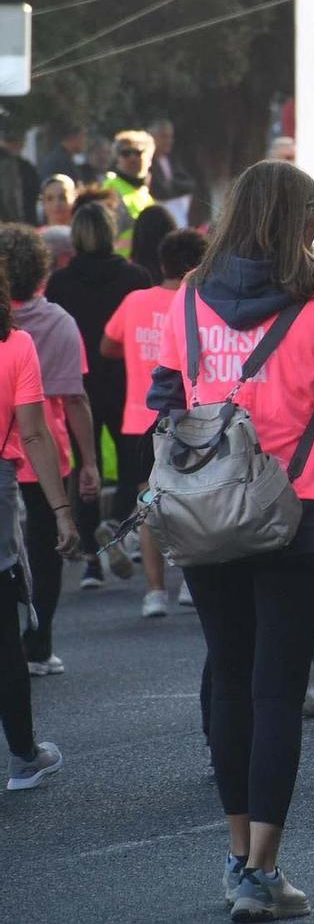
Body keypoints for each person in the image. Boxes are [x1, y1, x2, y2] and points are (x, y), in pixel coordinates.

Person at [146, 160, 314, 920]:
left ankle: (236, 853)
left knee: (230, 678)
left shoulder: (189, 297)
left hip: (206, 509)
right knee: (275, 690)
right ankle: (262, 865)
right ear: (300, 222)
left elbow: (164, 402)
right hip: (302, 510)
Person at [0, 224, 99, 666]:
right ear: (42, 270)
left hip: (6, 452)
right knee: (47, 550)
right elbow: (74, 397)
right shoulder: (60, 322)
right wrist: (90, 462)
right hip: (46, 453)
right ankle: (39, 644)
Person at [1, 263, 81, 791]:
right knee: (4, 631)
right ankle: (24, 755)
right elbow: (32, 434)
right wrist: (61, 511)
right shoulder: (17, 345)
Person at [44, 202, 152, 589]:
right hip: (126, 382)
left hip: (77, 386)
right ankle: (119, 529)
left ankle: (90, 558)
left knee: (84, 468)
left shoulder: (60, 284)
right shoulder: (136, 278)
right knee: (132, 466)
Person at [101, 227, 208, 616]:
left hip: (139, 417)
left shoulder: (134, 301)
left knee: (148, 502)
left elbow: (107, 344)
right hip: (189, 415)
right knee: (194, 499)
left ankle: (154, 591)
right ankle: (190, 586)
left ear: (161, 263)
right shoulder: (199, 300)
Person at [105, 130, 156, 234]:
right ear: (117, 158)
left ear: (149, 158)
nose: (132, 158)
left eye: (138, 152)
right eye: (126, 153)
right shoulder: (110, 187)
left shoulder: (143, 192)